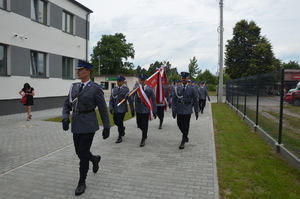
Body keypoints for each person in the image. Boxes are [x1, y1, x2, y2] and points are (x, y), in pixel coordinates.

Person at [62, 60, 110, 196]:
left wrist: (107, 126)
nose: (77, 72)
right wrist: (65, 117)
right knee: (79, 152)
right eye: (77, 70)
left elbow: (102, 108)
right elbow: (67, 104)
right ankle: (94, 159)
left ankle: (81, 182)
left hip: (89, 124)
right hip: (76, 124)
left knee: (83, 154)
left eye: (80, 69)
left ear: (87, 72)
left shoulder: (95, 88)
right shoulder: (74, 87)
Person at [172, 72, 198, 149]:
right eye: (182, 78)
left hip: (187, 109)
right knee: (179, 123)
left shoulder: (192, 88)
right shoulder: (177, 88)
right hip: (179, 108)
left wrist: (196, 111)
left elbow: (195, 100)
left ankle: (183, 141)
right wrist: (173, 109)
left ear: (187, 79)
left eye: (185, 78)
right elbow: (174, 100)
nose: (183, 79)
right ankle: (185, 135)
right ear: (181, 79)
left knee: (186, 125)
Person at [133, 74, 157, 147]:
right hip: (138, 108)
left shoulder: (149, 89)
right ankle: (144, 132)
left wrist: (155, 110)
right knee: (139, 123)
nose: (142, 81)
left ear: (146, 81)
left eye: (143, 80)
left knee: (145, 124)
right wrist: (127, 95)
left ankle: (143, 138)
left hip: (146, 108)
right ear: (139, 80)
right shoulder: (137, 88)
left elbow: (153, 99)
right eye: (141, 80)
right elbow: (131, 93)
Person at [109, 75, 134, 143]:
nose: (118, 82)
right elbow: (111, 99)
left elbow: (130, 100)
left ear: (123, 82)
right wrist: (111, 107)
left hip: (122, 108)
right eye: (117, 81)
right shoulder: (114, 89)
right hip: (115, 107)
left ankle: (120, 136)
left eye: (119, 81)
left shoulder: (126, 89)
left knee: (119, 122)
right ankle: (122, 128)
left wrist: (132, 109)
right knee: (115, 121)